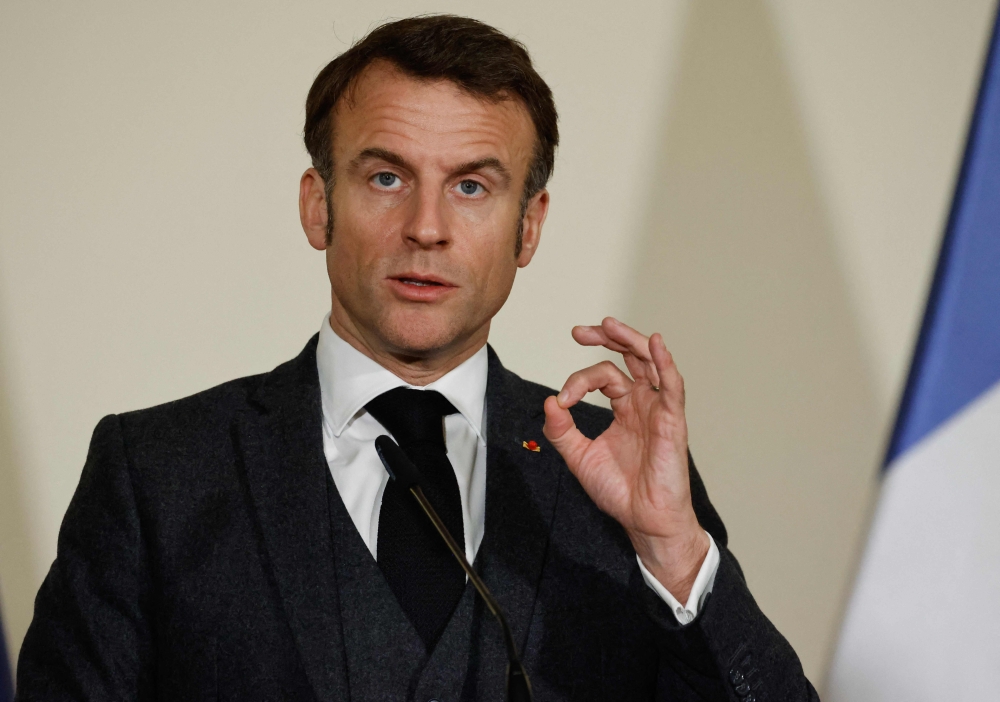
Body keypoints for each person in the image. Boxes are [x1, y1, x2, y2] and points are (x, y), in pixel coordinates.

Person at [16, 15, 818, 701]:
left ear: (529, 227)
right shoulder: (157, 474)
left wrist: (675, 553)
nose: (426, 226)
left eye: (472, 187)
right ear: (318, 204)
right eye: (387, 176)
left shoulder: (618, 474)